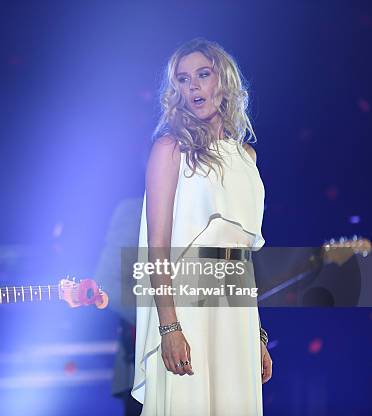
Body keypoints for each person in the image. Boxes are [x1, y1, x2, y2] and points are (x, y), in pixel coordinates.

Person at [132, 38, 273, 415]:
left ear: (222, 82)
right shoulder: (169, 148)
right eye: (182, 79)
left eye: (202, 75)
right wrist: (168, 327)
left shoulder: (247, 156)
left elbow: (243, 259)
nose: (192, 86)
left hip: (237, 309)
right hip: (188, 306)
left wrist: (256, 335)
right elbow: (156, 247)